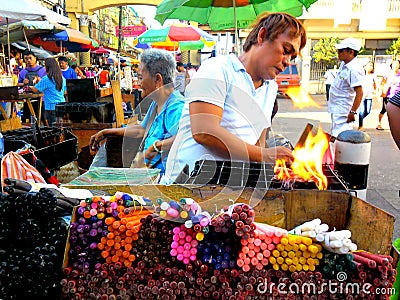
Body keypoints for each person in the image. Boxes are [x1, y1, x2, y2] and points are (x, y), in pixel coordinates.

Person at [164, 12, 305, 183]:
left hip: (230, 186)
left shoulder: (270, 88)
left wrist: (265, 166)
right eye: (286, 50)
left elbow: (257, 144)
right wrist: (265, 155)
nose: (287, 61)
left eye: (292, 57)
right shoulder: (217, 69)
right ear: (262, 36)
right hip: (187, 185)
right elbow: (204, 131)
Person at [89, 49, 185, 175]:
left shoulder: (176, 107)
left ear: (157, 80)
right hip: (146, 174)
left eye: (140, 77)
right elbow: (142, 129)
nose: (138, 83)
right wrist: (108, 132)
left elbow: (184, 138)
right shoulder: (156, 104)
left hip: (163, 180)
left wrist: (156, 147)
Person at [327, 38, 364, 140]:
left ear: (351, 52)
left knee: (340, 138)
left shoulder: (354, 69)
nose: (338, 53)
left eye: (341, 51)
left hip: (344, 110)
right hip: (337, 108)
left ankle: (340, 155)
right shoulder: (345, 64)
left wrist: (353, 112)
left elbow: (359, 93)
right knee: (336, 135)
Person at [29, 57, 66, 127]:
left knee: (53, 128)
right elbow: (65, 91)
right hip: (62, 105)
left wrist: (28, 86)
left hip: (51, 106)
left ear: (47, 67)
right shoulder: (61, 78)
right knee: (60, 127)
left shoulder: (47, 78)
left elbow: (35, 89)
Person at [17, 50, 47, 123]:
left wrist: (40, 81)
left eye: (30, 58)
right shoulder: (23, 72)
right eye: (26, 59)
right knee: (26, 121)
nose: (28, 60)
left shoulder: (43, 70)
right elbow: (17, 84)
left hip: (42, 99)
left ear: (35, 58)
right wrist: (23, 83)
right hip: (28, 99)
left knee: (44, 120)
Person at [376, 59, 400, 130]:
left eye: (397, 64)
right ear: (391, 65)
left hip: (398, 95)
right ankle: (379, 123)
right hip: (389, 95)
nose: (395, 66)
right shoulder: (388, 74)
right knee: (384, 110)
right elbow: (382, 83)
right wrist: (380, 93)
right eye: (394, 64)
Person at [358, 61, 377, 131]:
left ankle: (360, 119)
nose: (370, 67)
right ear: (365, 67)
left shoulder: (373, 75)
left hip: (369, 96)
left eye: (371, 66)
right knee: (361, 111)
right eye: (369, 65)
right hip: (362, 95)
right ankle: (360, 126)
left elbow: (375, 85)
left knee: (368, 111)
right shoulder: (361, 75)